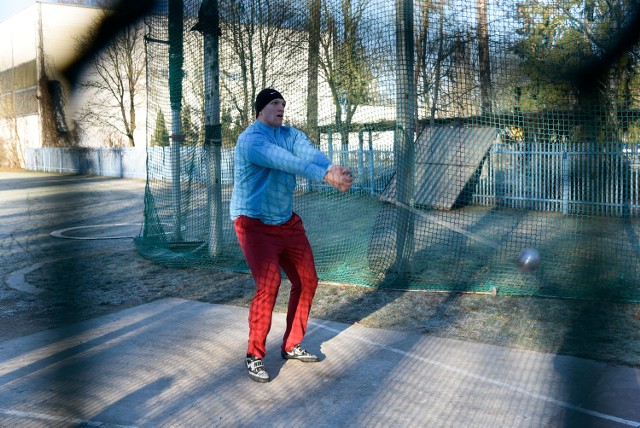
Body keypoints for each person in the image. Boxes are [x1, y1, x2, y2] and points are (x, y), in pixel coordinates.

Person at [230, 88, 353, 383]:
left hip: (285, 221)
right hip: (253, 222)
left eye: (283, 103)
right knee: (269, 282)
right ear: (260, 109)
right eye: (274, 103)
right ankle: (255, 355)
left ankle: (291, 344)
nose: (281, 107)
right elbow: (286, 161)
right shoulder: (251, 140)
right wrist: (324, 176)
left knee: (307, 279)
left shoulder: (290, 134)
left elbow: (308, 153)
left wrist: (331, 167)